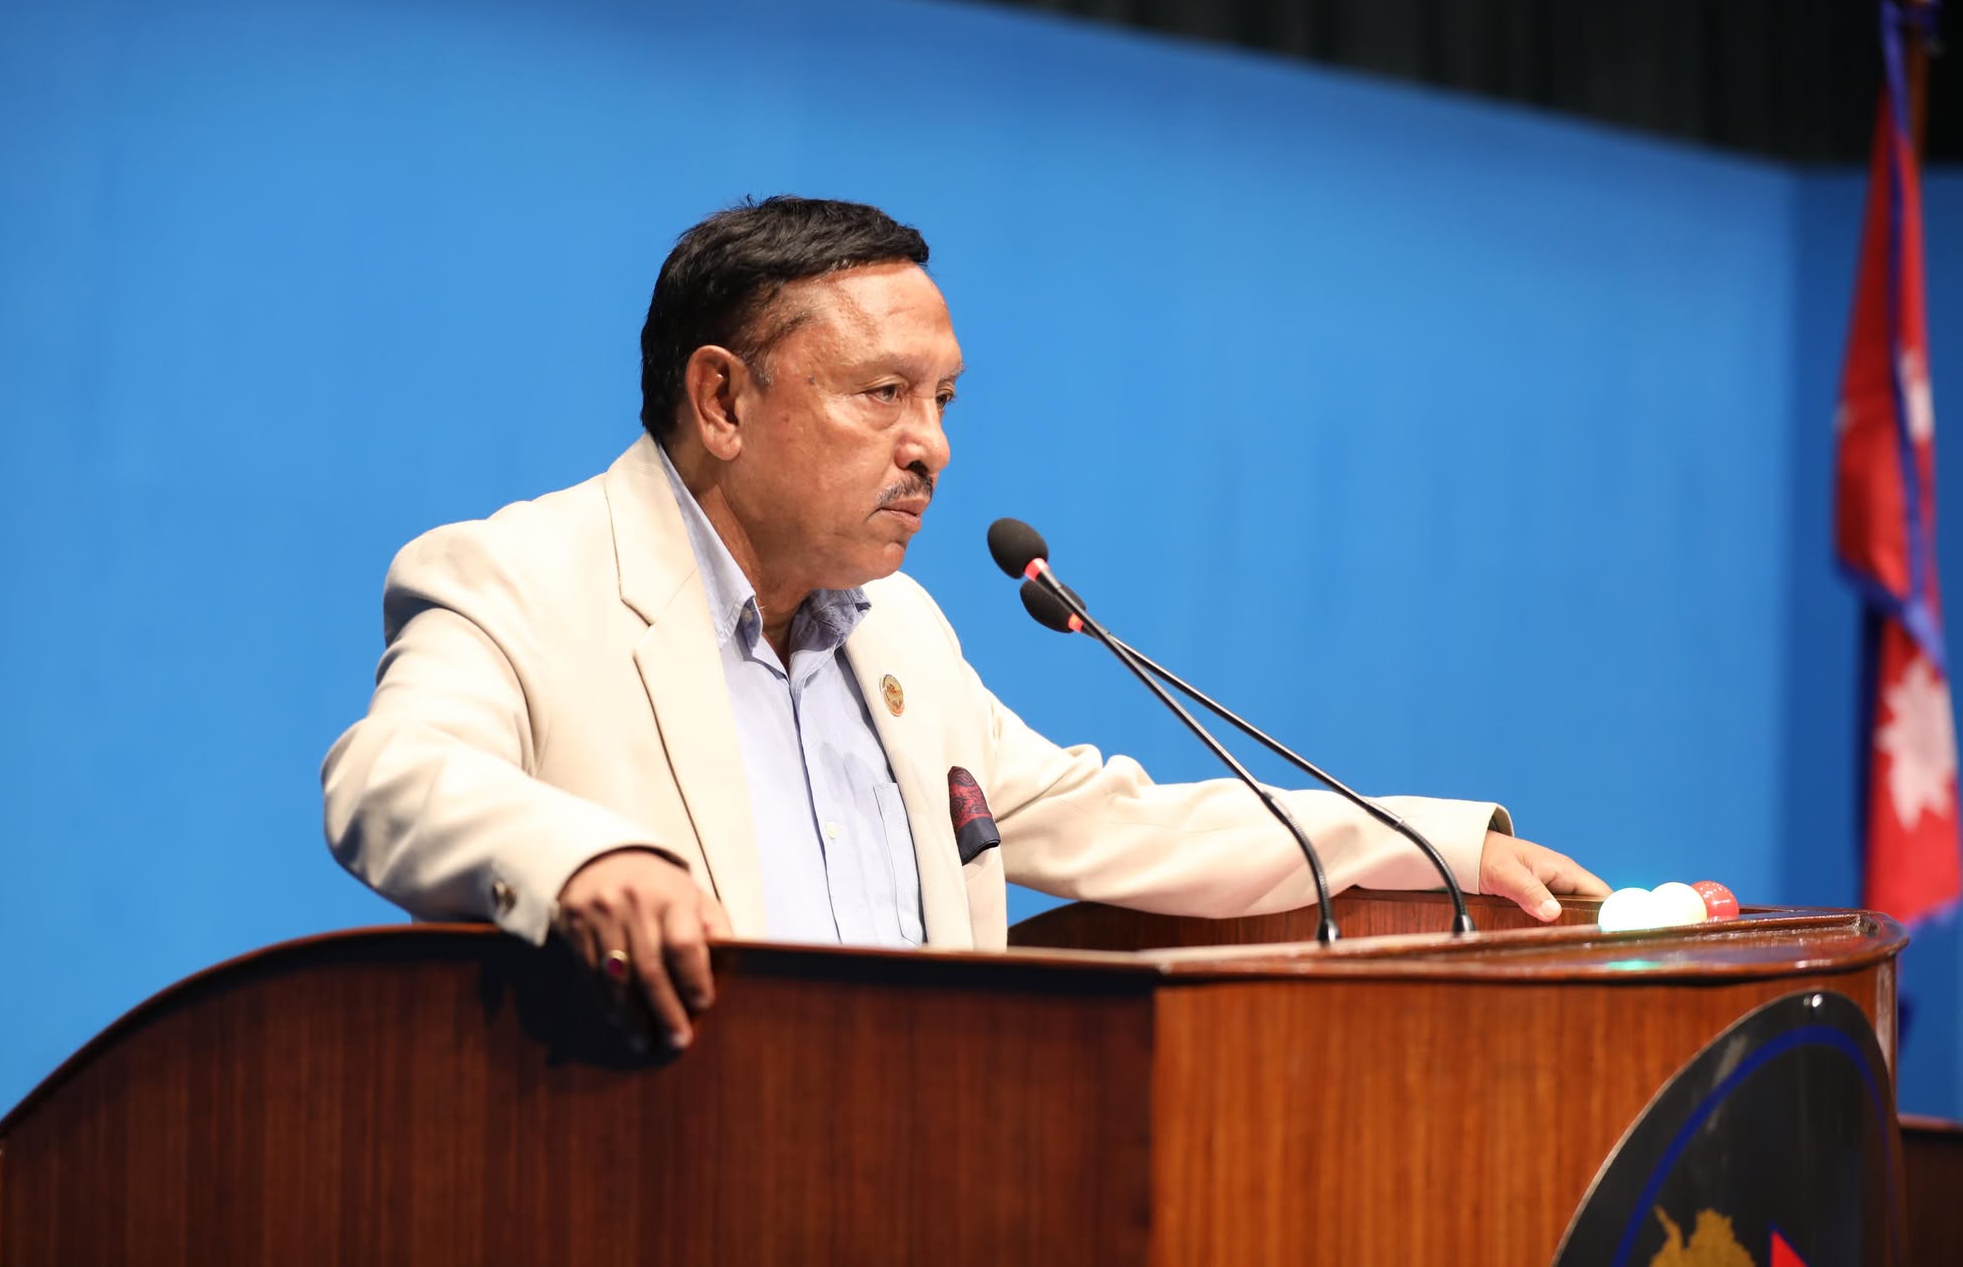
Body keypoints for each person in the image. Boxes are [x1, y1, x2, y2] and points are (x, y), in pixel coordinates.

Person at [322, 196, 1608, 1052]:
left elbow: (1116, 821)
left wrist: (1439, 850)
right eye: (882, 393)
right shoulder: (521, 576)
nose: (929, 446)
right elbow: (391, 775)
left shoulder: (898, 633)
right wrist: (588, 864)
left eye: (941, 399)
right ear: (720, 401)